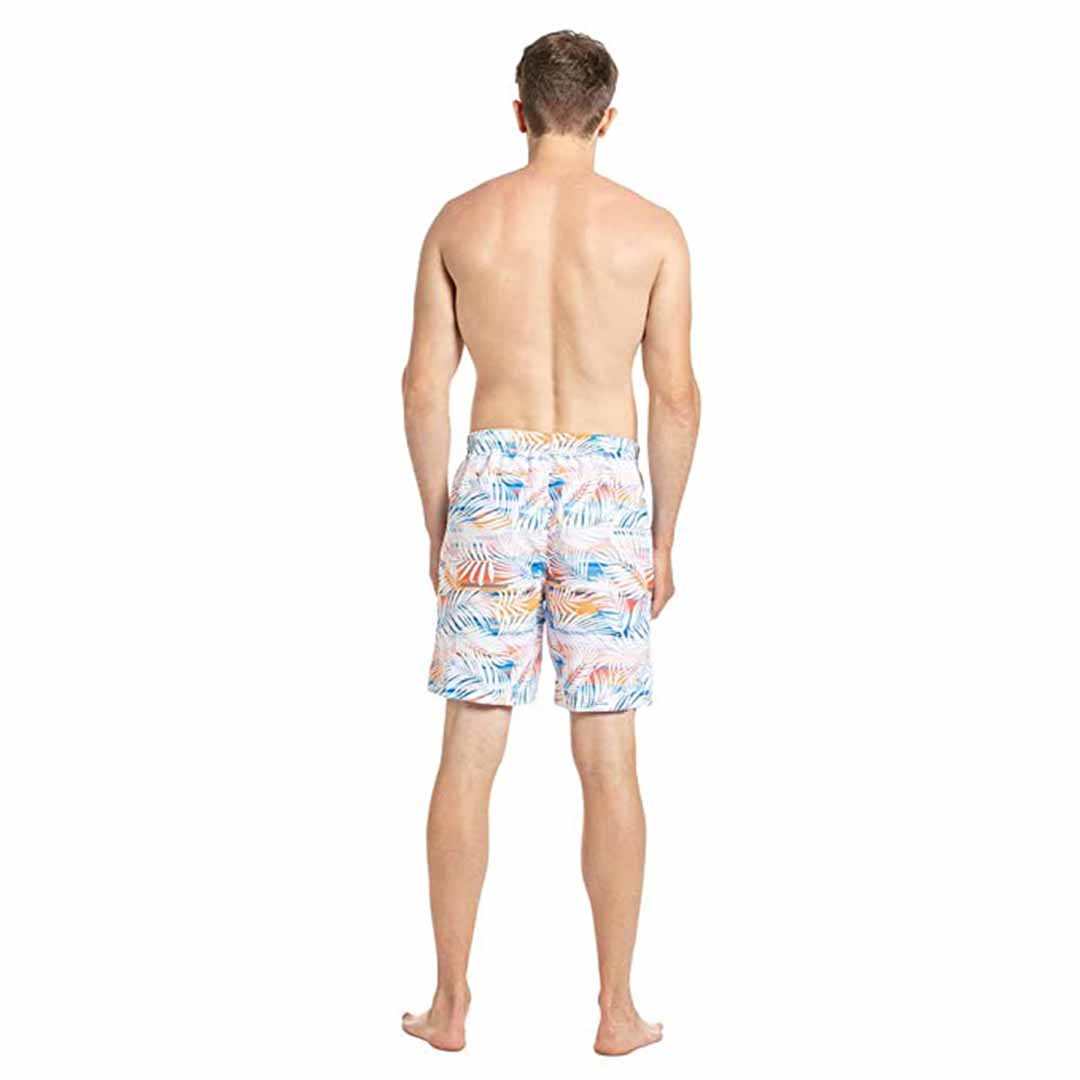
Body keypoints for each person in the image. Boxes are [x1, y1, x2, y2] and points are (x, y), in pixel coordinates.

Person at [401, 29, 700, 1056]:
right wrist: (663, 539)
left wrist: (441, 520)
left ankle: (449, 1006)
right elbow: (675, 394)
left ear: (519, 112)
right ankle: (617, 1011)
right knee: (609, 752)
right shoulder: (652, 231)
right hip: (608, 487)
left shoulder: (461, 222)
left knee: (470, 748)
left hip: (495, 475)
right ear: (607, 119)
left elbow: (422, 386)